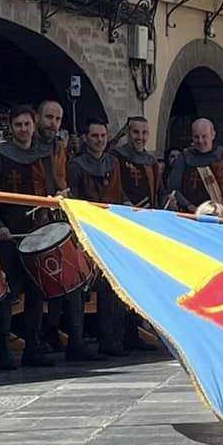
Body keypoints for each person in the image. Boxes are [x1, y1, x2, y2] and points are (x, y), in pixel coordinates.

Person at [0, 103, 90, 369]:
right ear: (12, 127)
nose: (23, 129)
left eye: (26, 124)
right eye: (18, 125)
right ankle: (4, 349)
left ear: (33, 125)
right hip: (10, 232)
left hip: (37, 233)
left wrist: (59, 198)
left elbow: (52, 190)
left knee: (35, 293)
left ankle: (32, 348)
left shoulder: (44, 156)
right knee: (9, 292)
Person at [66, 116, 129, 357]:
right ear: (85, 138)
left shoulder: (113, 163)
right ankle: (77, 343)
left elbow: (118, 193)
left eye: (103, 136)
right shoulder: (76, 166)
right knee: (80, 289)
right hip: (85, 232)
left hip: (109, 232)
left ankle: (111, 339)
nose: (100, 140)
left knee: (110, 287)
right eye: (95, 136)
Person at [164, 118, 223, 215]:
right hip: (192, 215)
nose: (200, 141)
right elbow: (173, 188)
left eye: (204, 136)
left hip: (222, 214)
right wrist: (189, 206)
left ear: (213, 135)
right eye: (196, 137)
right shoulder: (184, 158)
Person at [114, 116, 164, 208]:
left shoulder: (151, 162)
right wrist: (125, 201)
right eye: (136, 132)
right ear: (128, 133)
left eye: (144, 133)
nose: (140, 137)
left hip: (147, 215)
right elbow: (114, 186)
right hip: (123, 213)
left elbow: (160, 193)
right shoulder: (116, 156)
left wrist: (168, 200)